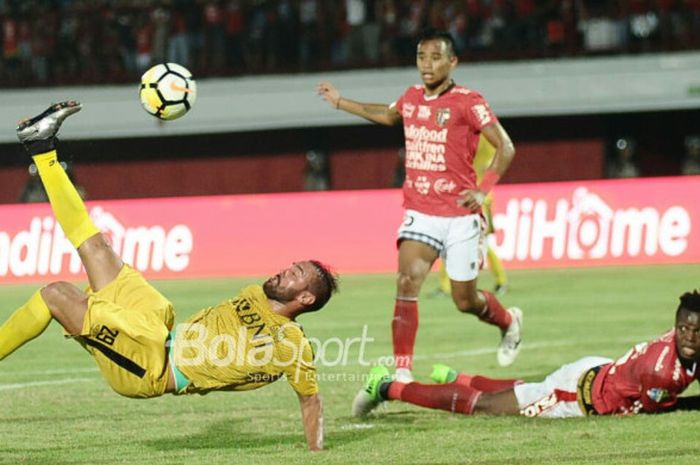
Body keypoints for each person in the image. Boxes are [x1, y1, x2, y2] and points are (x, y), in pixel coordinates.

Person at [0, 102, 338, 452]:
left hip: (148, 366)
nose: (284, 270)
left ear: (306, 298)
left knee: (56, 294)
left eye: (295, 274)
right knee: (97, 247)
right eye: (291, 266)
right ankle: (41, 147)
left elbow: (310, 400)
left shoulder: (291, 344)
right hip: (156, 327)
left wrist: (316, 451)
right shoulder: (254, 294)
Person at [316, 29, 522, 385]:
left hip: (460, 216)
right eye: (421, 57)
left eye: (436, 57)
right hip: (421, 212)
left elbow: (505, 147)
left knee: (465, 300)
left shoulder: (468, 101)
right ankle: (403, 372)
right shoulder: (411, 98)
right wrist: (340, 102)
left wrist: (482, 189)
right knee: (406, 280)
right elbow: (386, 114)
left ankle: (508, 321)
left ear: (452, 61)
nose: (427, 65)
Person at [353, 290, 700, 418]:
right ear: (676, 325)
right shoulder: (662, 372)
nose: (688, 336)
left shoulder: (681, 348)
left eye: (696, 331)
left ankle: (455, 377)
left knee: (530, 387)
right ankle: (388, 387)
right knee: (487, 408)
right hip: (577, 396)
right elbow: (659, 410)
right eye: (683, 328)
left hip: (596, 369)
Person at [435, 134, 508, 297]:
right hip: (460, 198)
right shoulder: (464, 137)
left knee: (481, 242)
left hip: (479, 199)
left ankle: (501, 281)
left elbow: (491, 163)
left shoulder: (484, 138)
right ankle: (445, 286)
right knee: (449, 241)